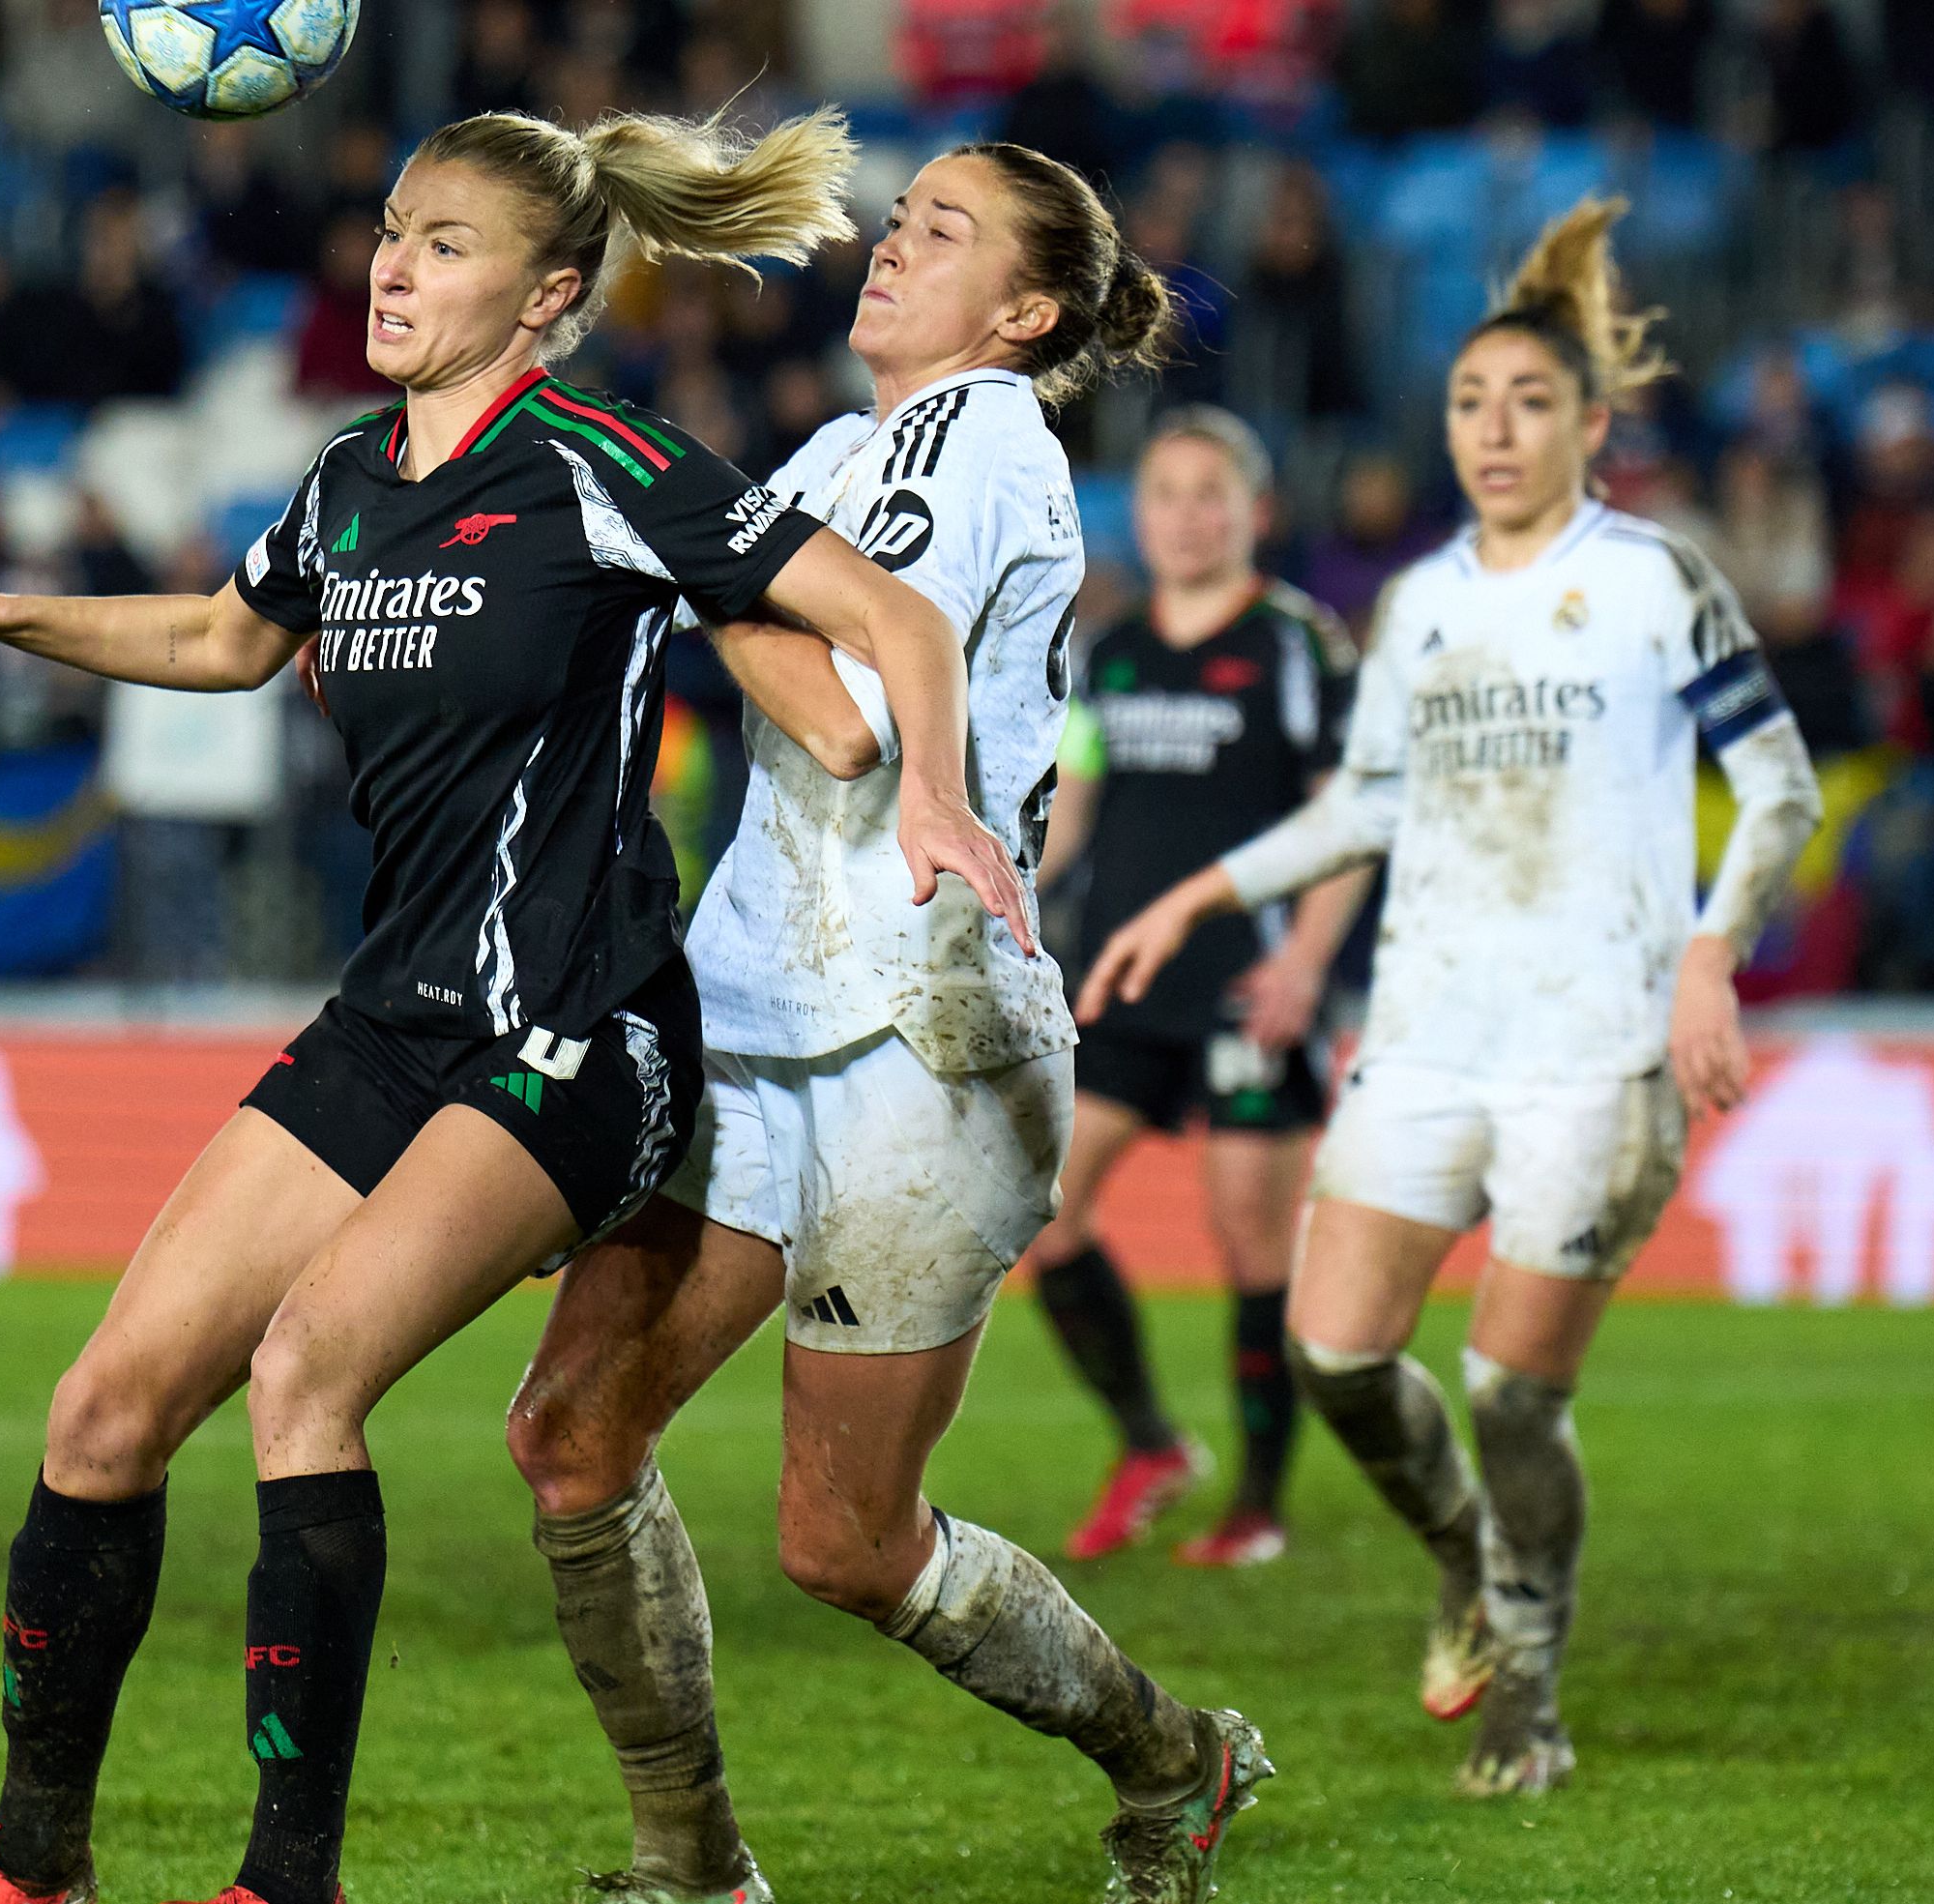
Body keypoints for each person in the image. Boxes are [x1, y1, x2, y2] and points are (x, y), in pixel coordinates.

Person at [0, 106, 1033, 1904]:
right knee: (101, 1410)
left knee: (309, 1368)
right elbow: (229, 639)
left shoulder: (601, 457)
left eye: (445, 244)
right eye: (392, 230)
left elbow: (897, 629)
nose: (393, 263)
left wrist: (932, 789)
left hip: (578, 1031)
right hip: (398, 1018)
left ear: (549, 294)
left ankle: (285, 1881)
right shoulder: (345, 484)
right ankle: (36, 1864)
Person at [501, 142, 1272, 1904]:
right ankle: (690, 1864)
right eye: (899, 215)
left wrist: (674, 553)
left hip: (924, 1037)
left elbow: (846, 710)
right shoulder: (846, 452)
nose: (891, 246)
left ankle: (1176, 1751)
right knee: (570, 1432)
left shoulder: (977, 437)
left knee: (843, 1541)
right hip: (759, 1007)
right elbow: (691, 584)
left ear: (1025, 311)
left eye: (943, 231)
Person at [1077, 197, 1824, 1798]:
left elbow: (1777, 785)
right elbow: (1361, 804)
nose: (1494, 428)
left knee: (1507, 1386)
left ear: (1594, 425)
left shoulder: (1656, 582)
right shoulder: (1418, 606)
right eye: (1471, 403)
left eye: (1530, 400)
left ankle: (1530, 1691)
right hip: (1427, 1031)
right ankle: (1467, 1554)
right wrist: (1201, 894)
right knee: (1337, 1351)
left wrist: (1709, 953)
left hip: (1597, 1042)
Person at [1024, 407, 1369, 1568]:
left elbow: (1351, 822)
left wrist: (1303, 964)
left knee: (1248, 1240)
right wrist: (1007, 896)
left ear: (1253, 512)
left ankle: (1258, 1506)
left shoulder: (1297, 644)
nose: (1184, 515)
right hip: (1121, 978)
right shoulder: (1111, 652)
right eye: (1164, 494)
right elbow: (1071, 810)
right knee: (1046, 1214)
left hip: (1245, 983)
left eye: (1207, 493)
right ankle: (1150, 1441)